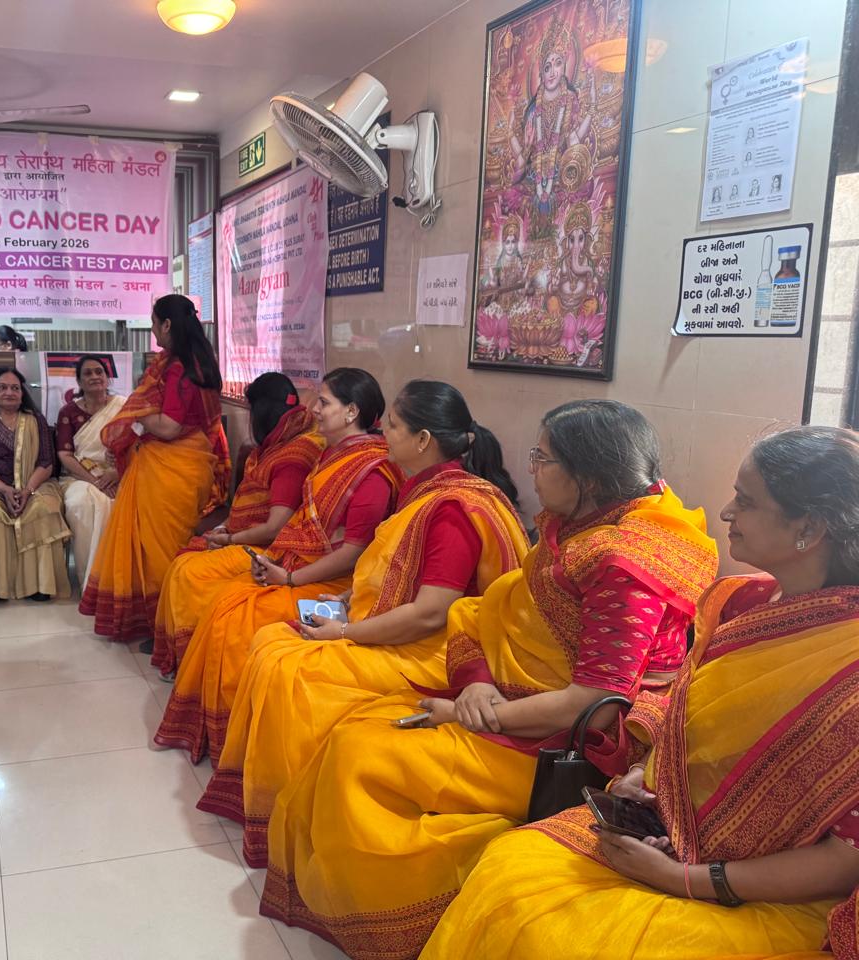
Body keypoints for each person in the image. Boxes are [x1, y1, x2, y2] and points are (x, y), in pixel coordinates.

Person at [258, 400, 720, 960]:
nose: (531, 469)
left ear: (590, 477)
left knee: (361, 756)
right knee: (354, 731)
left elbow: (596, 704)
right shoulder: (581, 523)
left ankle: (398, 922)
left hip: (563, 741)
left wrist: (469, 714)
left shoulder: (626, 561)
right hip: (505, 698)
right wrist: (475, 681)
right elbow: (491, 610)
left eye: (543, 459)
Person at [425, 426, 859, 960]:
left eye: (746, 502)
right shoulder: (741, 603)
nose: (726, 513)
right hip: (668, 829)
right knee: (509, 866)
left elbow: (846, 858)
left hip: (768, 888)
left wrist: (685, 879)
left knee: (562, 936)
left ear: (809, 527)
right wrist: (646, 776)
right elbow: (691, 718)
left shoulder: (847, 658)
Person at [199, 380, 530, 866]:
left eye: (392, 425)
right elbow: (393, 571)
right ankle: (276, 801)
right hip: (400, 628)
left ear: (423, 440)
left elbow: (431, 613)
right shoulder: (426, 491)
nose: (383, 433)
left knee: (292, 670)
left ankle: (300, 816)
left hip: (439, 651)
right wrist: (347, 600)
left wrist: (344, 631)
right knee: (271, 640)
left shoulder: (453, 509)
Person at [154, 368, 401, 763]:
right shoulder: (330, 454)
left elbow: (354, 551)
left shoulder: (370, 470)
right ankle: (218, 729)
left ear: (351, 411)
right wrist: (275, 562)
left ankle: (238, 741)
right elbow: (302, 525)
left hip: (332, 580)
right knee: (225, 605)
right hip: (297, 564)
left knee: (234, 621)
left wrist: (289, 577)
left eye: (324, 402)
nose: (313, 410)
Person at [78, 294, 230, 642]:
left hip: (170, 467)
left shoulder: (179, 368)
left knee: (159, 552)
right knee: (167, 545)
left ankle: (168, 632)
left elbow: (170, 427)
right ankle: (164, 623)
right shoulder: (201, 363)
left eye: (154, 323)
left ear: (168, 325)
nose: (153, 331)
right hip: (190, 463)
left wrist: (138, 411)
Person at [151, 372, 323, 677]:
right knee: (183, 562)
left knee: (190, 573)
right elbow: (245, 502)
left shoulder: (294, 456)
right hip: (245, 537)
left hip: (269, 549)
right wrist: (223, 528)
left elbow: (275, 527)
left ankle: (194, 662)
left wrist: (229, 539)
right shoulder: (276, 444)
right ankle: (183, 656)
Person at [0, 367, 70, 603]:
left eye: (15, 388)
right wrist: (5, 490)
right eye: (2, 387)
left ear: (22, 394)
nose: (9, 392)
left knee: (44, 506)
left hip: (35, 483)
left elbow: (46, 462)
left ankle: (40, 584)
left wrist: (28, 490)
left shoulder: (36, 421)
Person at [56, 355, 128, 591]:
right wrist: (96, 481)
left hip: (119, 474)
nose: (95, 376)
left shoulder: (124, 407)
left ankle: (119, 580)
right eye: (87, 373)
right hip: (78, 476)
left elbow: (139, 446)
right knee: (82, 504)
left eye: (99, 372)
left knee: (128, 503)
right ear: (79, 381)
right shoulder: (68, 412)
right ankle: (92, 582)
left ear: (107, 377)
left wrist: (116, 473)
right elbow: (65, 455)